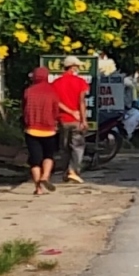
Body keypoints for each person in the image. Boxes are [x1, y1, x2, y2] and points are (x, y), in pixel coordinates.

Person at [24, 67, 67, 195]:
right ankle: (45, 176)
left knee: (35, 160)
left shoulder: (28, 91)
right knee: (48, 156)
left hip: (32, 130)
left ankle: (38, 189)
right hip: (49, 130)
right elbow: (56, 110)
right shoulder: (52, 92)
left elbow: (24, 109)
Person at [51, 56, 89, 184]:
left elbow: (55, 102)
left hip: (62, 120)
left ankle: (66, 172)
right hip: (76, 119)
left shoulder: (56, 83)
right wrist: (83, 119)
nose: (78, 69)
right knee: (77, 146)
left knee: (65, 147)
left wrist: (67, 111)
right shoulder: (80, 82)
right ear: (73, 67)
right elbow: (82, 102)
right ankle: (73, 171)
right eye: (77, 67)